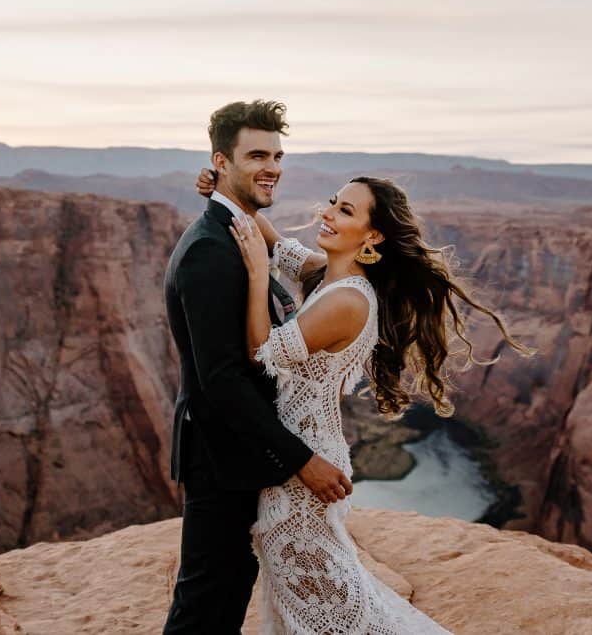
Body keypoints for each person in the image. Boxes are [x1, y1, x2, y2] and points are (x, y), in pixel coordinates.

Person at [194, 168, 536, 632]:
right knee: (304, 599)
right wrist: (225, 189)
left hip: (304, 469)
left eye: (345, 210)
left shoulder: (348, 301)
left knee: (321, 608)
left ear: (373, 234)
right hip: (295, 456)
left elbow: (260, 354)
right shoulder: (327, 275)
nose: (328, 212)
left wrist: (257, 275)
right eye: (333, 201)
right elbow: (271, 241)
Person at [162, 100, 354, 634]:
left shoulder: (242, 234)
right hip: (220, 459)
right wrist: (302, 462)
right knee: (203, 608)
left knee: (224, 602)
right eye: (256, 155)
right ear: (221, 161)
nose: (272, 166)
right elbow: (220, 379)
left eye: (277, 155)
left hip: (243, 457)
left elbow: (297, 271)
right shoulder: (209, 250)